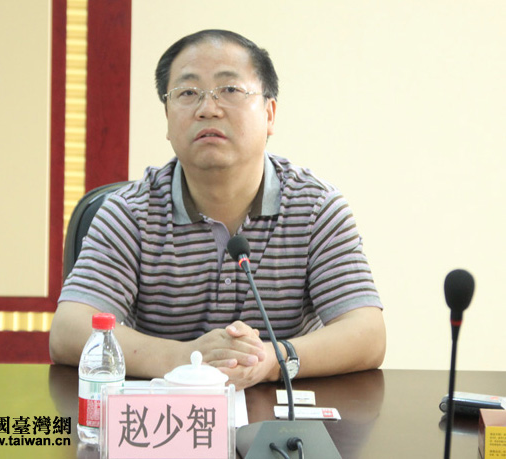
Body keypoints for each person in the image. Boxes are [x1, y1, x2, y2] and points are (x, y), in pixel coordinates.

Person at [50, 29, 386, 391]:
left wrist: (272, 360)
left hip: (278, 414)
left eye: (230, 90)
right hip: (164, 415)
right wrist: (187, 358)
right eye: (187, 93)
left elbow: (367, 334)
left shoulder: (315, 207)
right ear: (167, 118)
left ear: (269, 114)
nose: (208, 108)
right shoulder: (131, 213)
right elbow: (69, 329)